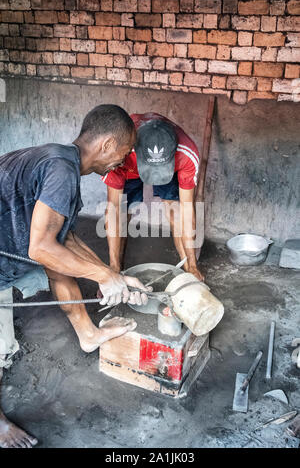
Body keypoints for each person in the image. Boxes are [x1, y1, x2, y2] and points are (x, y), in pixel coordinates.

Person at [0, 104, 150, 449]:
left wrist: (113, 276)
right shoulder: (61, 170)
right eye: (125, 153)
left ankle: (88, 334)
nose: (123, 164)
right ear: (108, 144)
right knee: (1, 345)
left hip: (6, 243)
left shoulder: (59, 161)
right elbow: (40, 247)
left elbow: (65, 238)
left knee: (62, 262)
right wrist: (102, 276)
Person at [101, 112, 204, 282]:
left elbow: (186, 210)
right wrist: (112, 272)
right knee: (123, 211)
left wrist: (193, 265)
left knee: (175, 210)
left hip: (171, 166)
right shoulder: (120, 152)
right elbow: (114, 210)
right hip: (130, 167)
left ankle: (188, 270)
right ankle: (117, 269)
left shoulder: (186, 154)